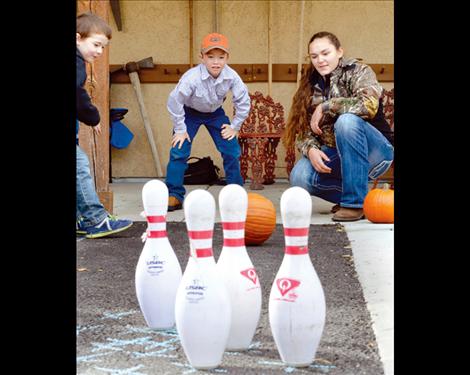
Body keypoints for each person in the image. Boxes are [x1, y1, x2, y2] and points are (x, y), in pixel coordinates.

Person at [283, 31, 394, 222]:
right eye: (314, 56)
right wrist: (310, 150)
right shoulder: (311, 83)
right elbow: (302, 128)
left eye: (326, 53)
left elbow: (368, 105)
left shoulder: (359, 71)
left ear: (340, 52)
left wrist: (326, 106)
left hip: (376, 151)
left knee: (346, 121)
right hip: (339, 155)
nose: (320, 60)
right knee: (299, 177)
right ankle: (363, 199)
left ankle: (354, 205)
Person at [165, 33, 250, 211]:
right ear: (202, 57)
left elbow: (242, 100)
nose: (216, 62)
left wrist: (235, 126)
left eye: (221, 57)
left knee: (231, 149)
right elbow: (174, 101)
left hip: (215, 114)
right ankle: (174, 194)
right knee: (179, 151)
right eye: (210, 57)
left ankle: (235, 193)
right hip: (189, 114)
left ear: (227, 57)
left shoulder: (231, 76)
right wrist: (180, 129)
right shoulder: (191, 78)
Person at [76, 12, 133, 238]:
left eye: (103, 47)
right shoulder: (77, 64)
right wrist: (93, 116)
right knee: (80, 169)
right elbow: (77, 96)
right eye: (96, 44)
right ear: (78, 38)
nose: (100, 52)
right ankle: (95, 219)